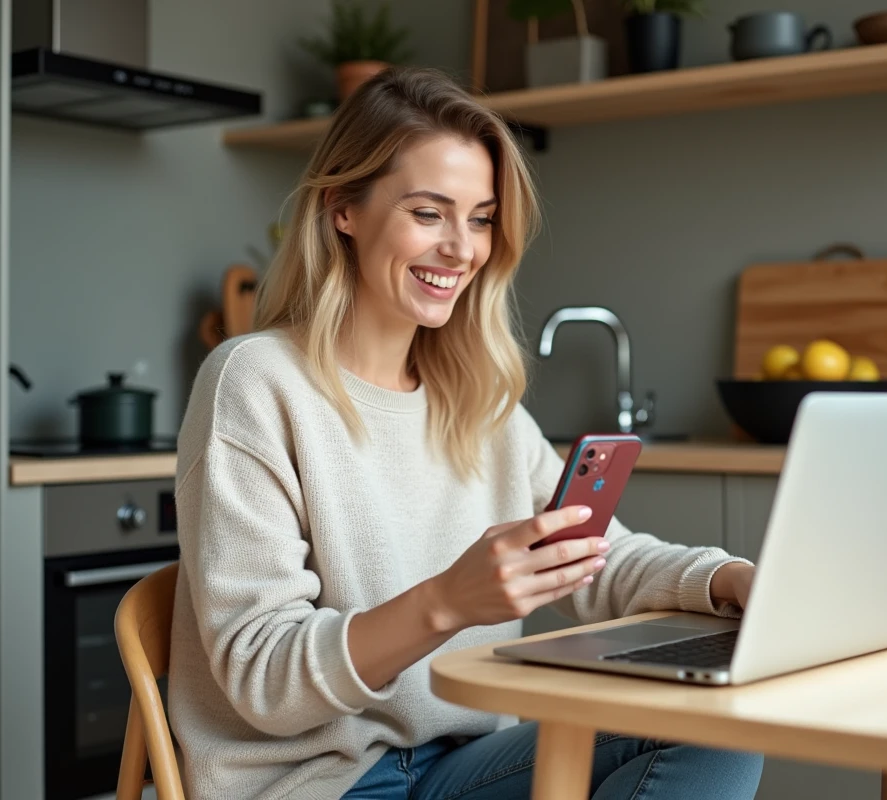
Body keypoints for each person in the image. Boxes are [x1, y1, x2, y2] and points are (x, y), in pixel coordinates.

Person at [168, 66, 763, 800]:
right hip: (318, 782)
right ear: (342, 209)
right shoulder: (257, 382)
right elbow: (263, 678)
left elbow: (592, 557)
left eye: (480, 219)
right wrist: (447, 602)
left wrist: (730, 580)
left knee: (719, 724)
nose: (461, 248)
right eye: (429, 213)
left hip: (460, 765)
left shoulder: (477, 399)